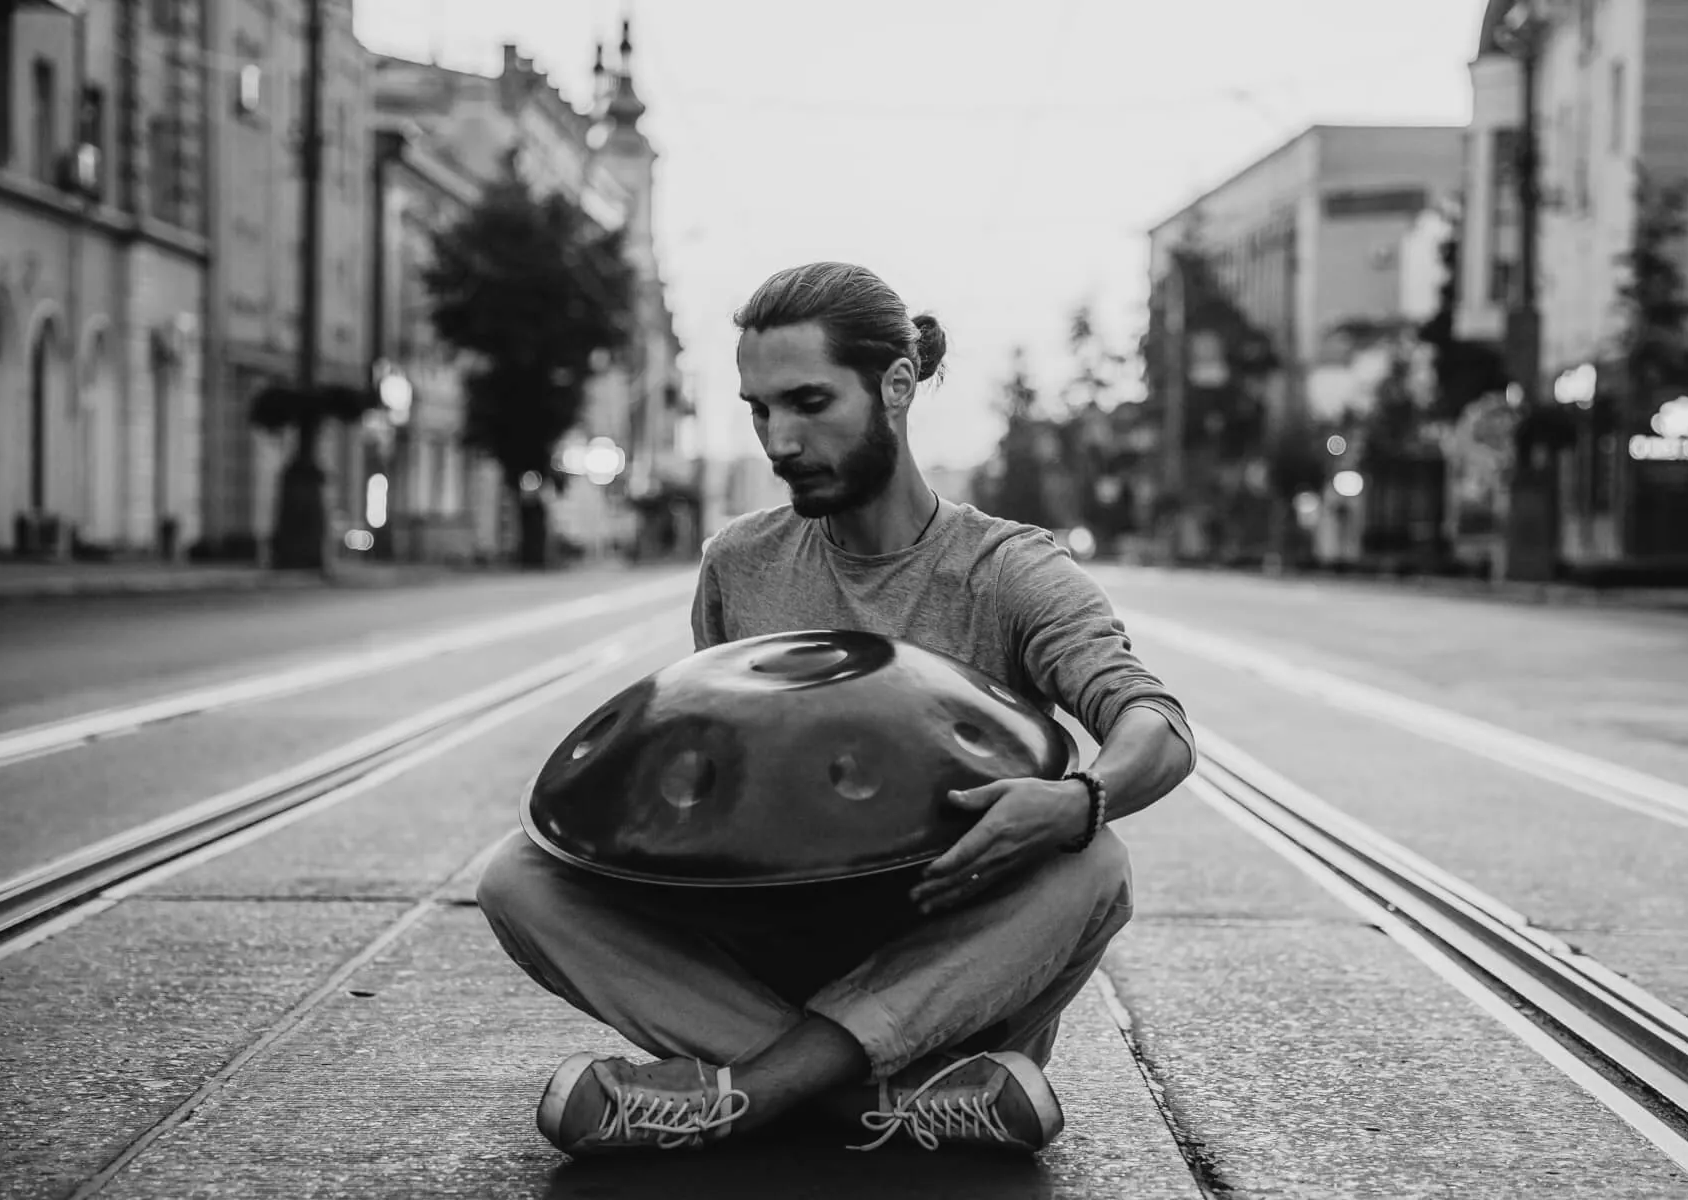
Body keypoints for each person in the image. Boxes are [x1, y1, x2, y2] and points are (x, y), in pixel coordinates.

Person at [476, 261, 1196, 1158]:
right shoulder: (738, 564)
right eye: (759, 409)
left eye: (809, 403)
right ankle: (877, 1104)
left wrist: (1075, 802)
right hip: (775, 952)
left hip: (947, 969)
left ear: (895, 387)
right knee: (519, 876)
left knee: (1095, 864)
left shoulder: (1009, 569)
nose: (780, 440)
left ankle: (755, 1094)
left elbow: (1156, 726)